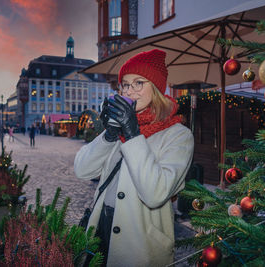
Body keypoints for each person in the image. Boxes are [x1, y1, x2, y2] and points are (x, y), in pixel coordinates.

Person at [74, 49, 194, 266]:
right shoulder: (120, 125)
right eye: (125, 84)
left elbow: (155, 193)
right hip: (100, 229)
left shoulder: (178, 135)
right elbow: (83, 170)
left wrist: (131, 135)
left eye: (139, 83)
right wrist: (109, 135)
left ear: (156, 88)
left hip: (140, 245)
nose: (130, 91)